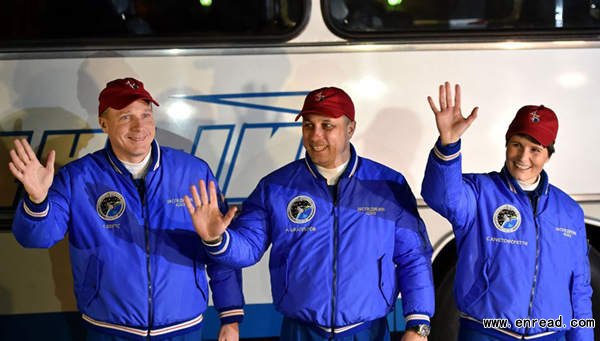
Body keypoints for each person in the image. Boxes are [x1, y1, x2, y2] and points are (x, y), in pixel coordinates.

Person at [184, 87, 435, 340]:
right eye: (308, 125)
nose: (315, 136)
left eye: (327, 126)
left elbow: (413, 256)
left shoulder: (387, 184)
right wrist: (216, 240)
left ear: (350, 129)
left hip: (367, 331)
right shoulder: (275, 187)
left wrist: (418, 326)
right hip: (301, 331)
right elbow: (248, 248)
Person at [9, 77, 244, 341]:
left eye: (146, 114)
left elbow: (219, 247)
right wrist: (38, 199)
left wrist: (230, 316)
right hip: (109, 331)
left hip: (183, 330)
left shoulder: (193, 172)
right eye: (125, 117)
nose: (139, 126)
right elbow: (36, 238)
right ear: (103, 124)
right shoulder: (77, 178)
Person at [421, 82, 593, 340]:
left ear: (548, 155)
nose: (523, 157)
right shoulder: (479, 192)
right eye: (516, 144)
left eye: (535, 149)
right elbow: (441, 196)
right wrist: (448, 144)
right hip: (486, 332)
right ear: (506, 144)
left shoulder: (568, 211)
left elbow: (579, 287)